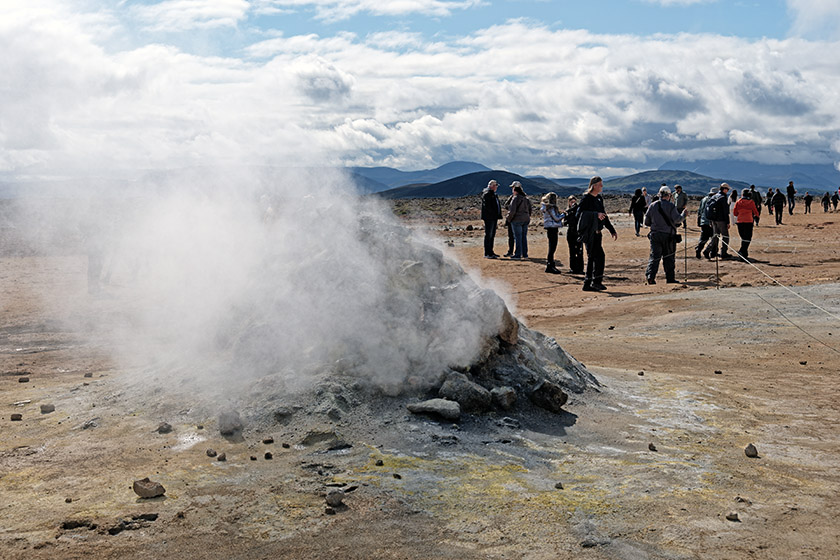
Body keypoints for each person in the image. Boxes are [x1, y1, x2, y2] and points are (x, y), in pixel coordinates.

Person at [577, 176, 617, 291]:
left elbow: (603, 215)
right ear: (594, 185)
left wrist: (611, 229)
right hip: (589, 233)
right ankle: (587, 283)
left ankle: (597, 281)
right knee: (592, 257)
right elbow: (579, 215)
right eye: (600, 184)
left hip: (598, 233)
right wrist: (595, 215)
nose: (602, 187)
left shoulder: (599, 198)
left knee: (600, 256)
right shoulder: (586, 199)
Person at [644, 185, 687, 284]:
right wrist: (684, 215)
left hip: (655, 235)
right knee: (669, 257)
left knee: (654, 257)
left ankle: (650, 276)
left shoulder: (653, 205)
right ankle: (670, 278)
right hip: (668, 236)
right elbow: (677, 220)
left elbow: (646, 222)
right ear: (668, 195)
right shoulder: (671, 206)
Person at [705, 182, 732, 259]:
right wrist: (727, 222)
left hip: (713, 220)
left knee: (715, 236)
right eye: (727, 189)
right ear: (724, 189)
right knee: (725, 236)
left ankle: (707, 250)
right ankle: (724, 252)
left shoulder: (714, 196)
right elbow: (725, 211)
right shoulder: (723, 197)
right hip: (721, 220)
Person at [506, 181, 531, 260]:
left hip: (517, 220)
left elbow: (512, 210)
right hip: (525, 219)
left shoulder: (515, 198)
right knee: (523, 237)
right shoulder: (525, 198)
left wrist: (508, 219)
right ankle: (524, 254)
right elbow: (530, 209)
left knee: (518, 237)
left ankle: (517, 254)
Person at [733, 189, 760, 260]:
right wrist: (757, 216)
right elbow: (755, 211)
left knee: (743, 238)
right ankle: (742, 251)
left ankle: (744, 253)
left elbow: (735, 213)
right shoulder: (751, 202)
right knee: (748, 238)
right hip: (748, 221)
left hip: (740, 222)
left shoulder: (738, 202)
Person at [540, 192, 564, 274]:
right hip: (552, 228)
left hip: (550, 228)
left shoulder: (546, 208)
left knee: (552, 247)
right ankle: (550, 265)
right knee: (552, 248)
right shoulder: (550, 208)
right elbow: (556, 218)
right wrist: (564, 214)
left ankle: (550, 265)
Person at [481, 179, 502, 258]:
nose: (496, 187)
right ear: (492, 186)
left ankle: (491, 252)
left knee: (492, 235)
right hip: (489, 218)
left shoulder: (493, 194)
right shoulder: (487, 194)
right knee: (489, 234)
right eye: (495, 185)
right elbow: (488, 207)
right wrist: (493, 213)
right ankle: (487, 253)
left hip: (493, 217)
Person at [563, 195, 584, 274]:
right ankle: (573, 268)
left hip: (578, 232)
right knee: (572, 251)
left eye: (574, 202)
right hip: (571, 232)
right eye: (571, 202)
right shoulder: (568, 211)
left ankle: (580, 269)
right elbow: (565, 222)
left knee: (579, 251)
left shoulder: (579, 211)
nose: (573, 204)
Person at [696, 186, 717, 259]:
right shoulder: (713, 200)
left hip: (703, 221)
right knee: (714, 238)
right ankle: (711, 252)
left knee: (704, 237)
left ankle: (699, 249)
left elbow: (700, 211)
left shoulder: (703, 199)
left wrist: (699, 220)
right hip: (711, 222)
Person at [502, 187, 516, 257]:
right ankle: (520, 252)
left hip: (513, 219)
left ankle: (512, 251)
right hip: (519, 219)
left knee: (512, 236)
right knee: (517, 236)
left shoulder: (514, 198)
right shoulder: (524, 197)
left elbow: (506, 205)